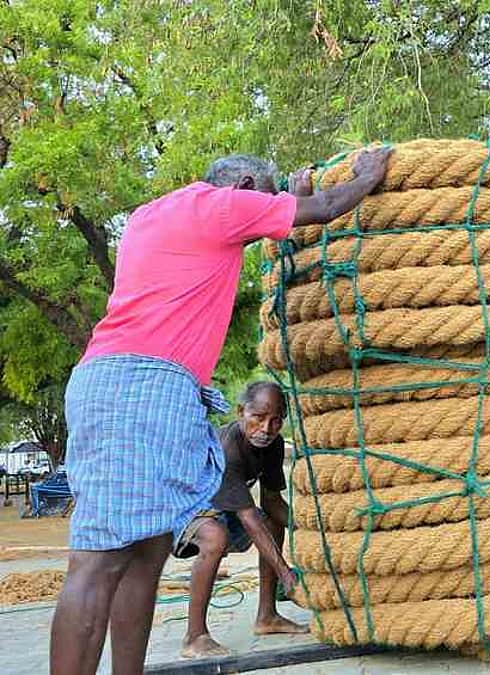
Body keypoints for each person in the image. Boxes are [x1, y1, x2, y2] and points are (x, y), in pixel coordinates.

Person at [51, 146, 393, 675]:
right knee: (100, 558)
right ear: (250, 183)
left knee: (145, 551)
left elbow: (275, 232)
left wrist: (289, 207)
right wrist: (368, 176)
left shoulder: (156, 215)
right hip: (142, 387)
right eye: (270, 196)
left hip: (118, 381)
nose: (272, 209)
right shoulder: (222, 204)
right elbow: (327, 208)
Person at [173, 382, 302, 658]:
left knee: (271, 520)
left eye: (276, 420)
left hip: (221, 508)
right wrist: (286, 575)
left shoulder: (273, 445)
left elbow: (272, 503)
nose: (267, 429)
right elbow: (248, 518)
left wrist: (318, 530)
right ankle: (194, 637)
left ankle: (267, 616)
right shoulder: (228, 449)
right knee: (214, 537)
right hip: (179, 508)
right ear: (241, 411)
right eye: (258, 417)